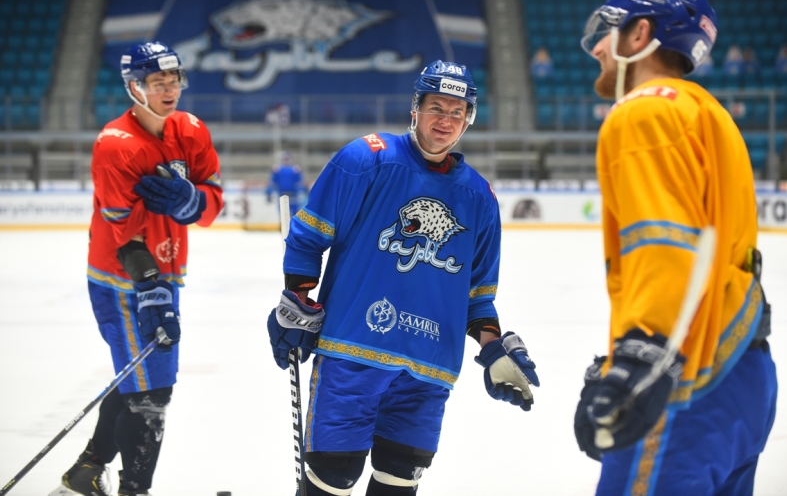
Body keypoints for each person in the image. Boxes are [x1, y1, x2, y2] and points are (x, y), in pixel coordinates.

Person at [267, 60, 540, 496]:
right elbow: (309, 236)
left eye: (457, 112)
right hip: (352, 351)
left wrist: (492, 346)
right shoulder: (366, 158)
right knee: (332, 478)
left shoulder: (480, 198)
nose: (445, 120)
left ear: (468, 119)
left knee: (398, 483)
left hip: (428, 370)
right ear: (415, 108)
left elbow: (477, 296)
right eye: (436, 108)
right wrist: (297, 297)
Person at [574, 0, 776, 494]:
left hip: (687, 378)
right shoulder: (707, 112)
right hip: (743, 371)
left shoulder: (644, 110)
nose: (598, 49)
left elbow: (664, 242)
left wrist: (642, 353)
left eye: (608, 32)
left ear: (640, 35)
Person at [50, 42, 224, 496]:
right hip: (123, 279)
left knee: (140, 379)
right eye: (157, 82)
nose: (170, 90)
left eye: (174, 80)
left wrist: (193, 201)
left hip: (165, 272)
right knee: (152, 393)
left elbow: (212, 204)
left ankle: (87, 471)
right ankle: (134, 490)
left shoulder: (191, 130)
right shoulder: (116, 145)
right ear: (134, 87)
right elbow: (123, 233)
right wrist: (150, 287)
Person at [266, 151, 307, 217]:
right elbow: (273, 183)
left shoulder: (295, 170)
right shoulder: (278, 170)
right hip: (282, 195)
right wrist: (269, 192)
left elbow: (300, 183)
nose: (286, 161)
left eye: (287, 159)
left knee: (295, 215)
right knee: (283, 215)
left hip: (293, 196)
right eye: (285, 159)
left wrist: (303, 191)